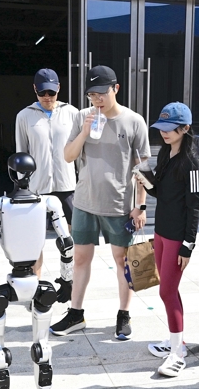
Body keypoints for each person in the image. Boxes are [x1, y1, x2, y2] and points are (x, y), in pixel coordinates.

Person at [54, 65, 151, 340]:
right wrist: (84, 131)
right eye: (91, 95)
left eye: (101, 93)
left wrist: (141, 206)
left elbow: (143, 169)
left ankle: (123, 314)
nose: (97, 99)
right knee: (80, 258)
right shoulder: (82, 116)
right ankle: (76, 313)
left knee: (123, 261)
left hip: (118, 204)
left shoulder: (134, 121)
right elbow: (68, 156)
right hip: (84, 201)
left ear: (115, 89)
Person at [135, 102, 199, 377]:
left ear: (185, 128)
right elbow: (162, 193)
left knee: (166, 291)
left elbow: (194, 207)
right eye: (161, 127)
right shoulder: (166, 153)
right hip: (161, 232)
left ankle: (177, 353)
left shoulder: (192, 164)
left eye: (169, 128)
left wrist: (188, 245)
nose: (163, 133)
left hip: (177, 238)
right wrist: (145, 178)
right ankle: (177, 341)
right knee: (169, 289)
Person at [15, 68, 79, 277]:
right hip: (37, 187)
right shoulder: (24, 116)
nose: (47, 97)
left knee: (71, 239)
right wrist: (22, 187)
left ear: (59, 88)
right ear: (35, 89)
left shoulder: (72, 113)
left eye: (51, 92)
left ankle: (69, 280)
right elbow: (21, 153)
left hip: (67, 186)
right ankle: (36, 283)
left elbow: (80, 152)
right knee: (35, 240)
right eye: (42, 92)